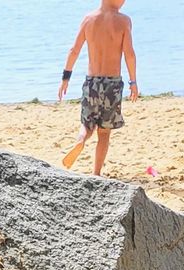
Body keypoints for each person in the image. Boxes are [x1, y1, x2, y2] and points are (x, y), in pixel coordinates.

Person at [57, 0, 139, 178]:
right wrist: (133, 81)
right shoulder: (124, 21)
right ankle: (96, 173)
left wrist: (65, 78)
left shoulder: (88, 19)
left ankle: (81, 139)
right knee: (104, 132)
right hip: (112, 85)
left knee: (87, 124)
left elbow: (74, 50)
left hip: (92, 83)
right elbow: (129, 54)